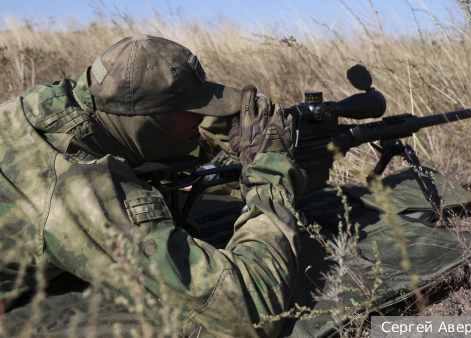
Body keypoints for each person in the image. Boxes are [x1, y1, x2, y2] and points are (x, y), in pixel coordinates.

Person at [0, 34, 306, 337]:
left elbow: (152, 120)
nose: (201, 122)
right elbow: (244, 312)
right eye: (195, 115)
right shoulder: (76, 184)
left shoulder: (68, 102)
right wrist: (269, 169)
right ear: (149, 125)